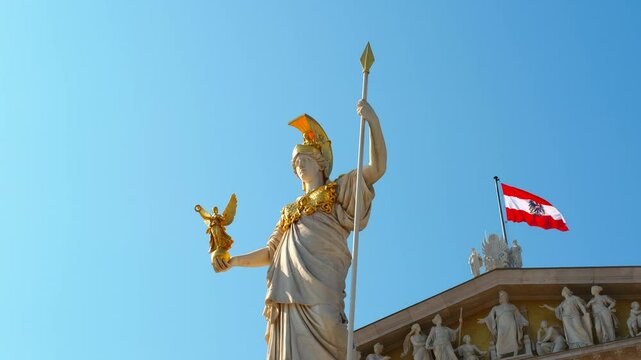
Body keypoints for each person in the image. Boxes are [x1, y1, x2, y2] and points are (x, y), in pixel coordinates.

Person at [212, 100, 387, 360]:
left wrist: (372, 121)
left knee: (330, 326)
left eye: (304, 160)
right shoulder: (288, 212)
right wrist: (233, 260)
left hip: (322, 278)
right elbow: (271, 253)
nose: (299, 166)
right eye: (296, 163)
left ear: (320, 163)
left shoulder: (337, 190)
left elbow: (377, 168)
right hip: (289, 288)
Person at [478, 290, 528, 357]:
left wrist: (524, 321)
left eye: (503, 295)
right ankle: (499, 353)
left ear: (506, 297)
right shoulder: (496, 308)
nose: (502, 297)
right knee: (500, 338)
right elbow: (490, 317)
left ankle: (515, 352)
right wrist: (484, 320)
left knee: (513, 338)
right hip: (502, 326)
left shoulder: (512, 306)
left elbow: (519, 316)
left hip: (511, 324)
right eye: (501, 296)